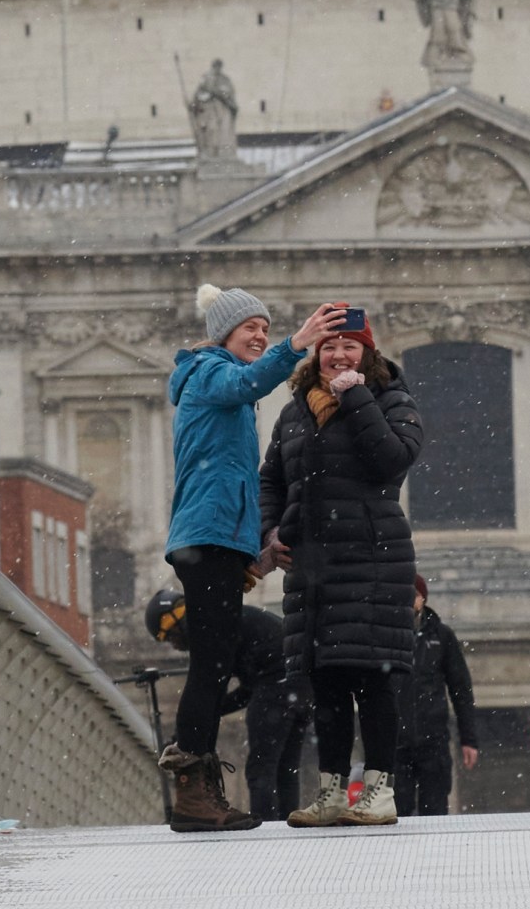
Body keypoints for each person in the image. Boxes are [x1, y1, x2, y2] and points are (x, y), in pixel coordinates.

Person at [158, 283, 345, 833]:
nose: (260, 336)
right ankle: (194, 796)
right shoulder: (210, 373)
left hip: (214, 539)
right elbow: (247, 382)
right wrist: (297, 343)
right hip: (205, 537)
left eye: (265, 328)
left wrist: (257, 555)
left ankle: (200, 789)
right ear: (224, 335)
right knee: (209, 666)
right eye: (251, 329)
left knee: (214, 665)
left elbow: (233, 483)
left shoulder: (222, 385)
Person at [259, 304, 423, 827]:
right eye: (329, 346)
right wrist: (269, 532)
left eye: (349, 345)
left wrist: (356, 397)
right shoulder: (294, 412)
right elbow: (271, 480)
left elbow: (393, 459)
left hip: (373, 560)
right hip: (312, 566)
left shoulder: (391, 399)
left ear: (367, 352)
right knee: (324, 683)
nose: (337, 354)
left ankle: (378, 793)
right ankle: (330, 793)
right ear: (315, 353)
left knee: (373, 681)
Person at [146, 588, 313, 821]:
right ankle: (285, 826)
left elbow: (211, 691)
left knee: (260, 769)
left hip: (276, 686)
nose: (173, 646)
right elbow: (246, 691)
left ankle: (265, 829)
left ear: (177, 621)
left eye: (169, 637)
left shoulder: (208, 633)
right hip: (301, 685)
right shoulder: (232, 620)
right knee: (286, 768)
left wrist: (185, 737)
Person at [393, 574, 478, 816]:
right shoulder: (387, 637)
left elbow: (461, 690)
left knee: (436, 812)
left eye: (413, 596)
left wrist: (468, 739)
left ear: (423, 599)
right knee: (398, 813)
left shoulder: (442, 636)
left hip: (434, 740)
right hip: (396, 741)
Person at [189, 59, 238, 160]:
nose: (217, 69)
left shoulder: (225, 79)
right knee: (211, 131)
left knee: (224, 133)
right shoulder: (205, 79)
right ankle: (209, 152)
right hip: (209, 110)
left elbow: (229, 93)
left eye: (219, 66)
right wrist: (194, 103)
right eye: (215, 66)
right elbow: (198, 94)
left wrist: (220, 93)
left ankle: (224, 153)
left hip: (223, 110)